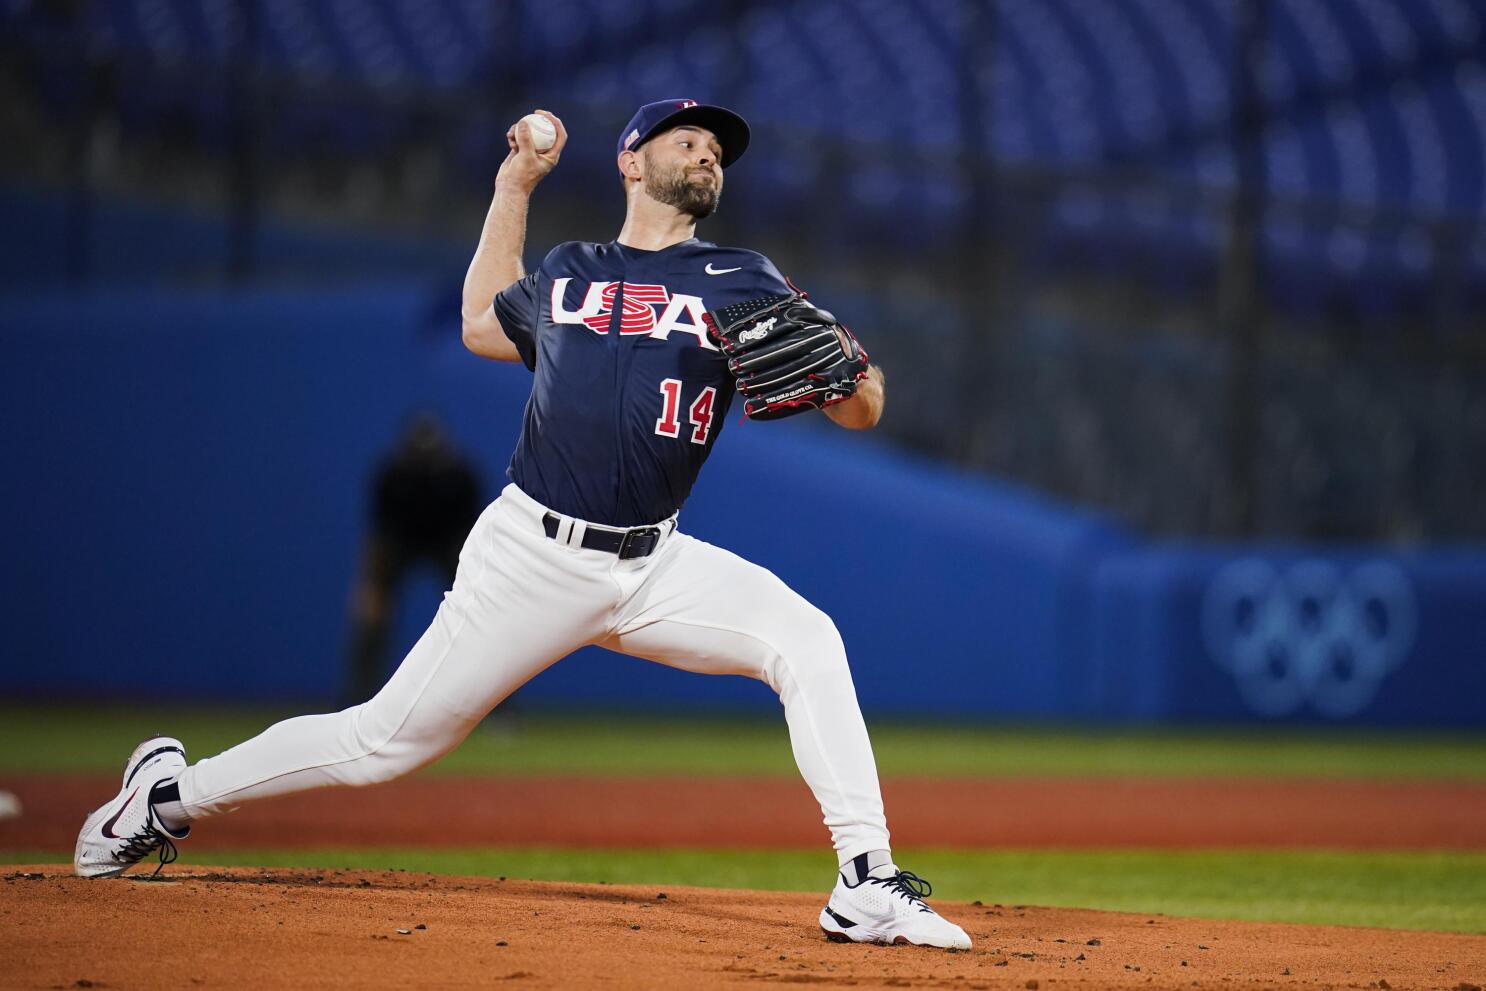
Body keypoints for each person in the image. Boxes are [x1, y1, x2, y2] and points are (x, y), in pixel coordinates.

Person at [74, 99, 972, 951]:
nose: (707, 152)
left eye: (717, 148)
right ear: (631, 159)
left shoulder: (744, 278)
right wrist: (514, 187)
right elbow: (476, 324)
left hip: (654, 565)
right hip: (531, 557)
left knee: (806, 638)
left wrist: (853, 377)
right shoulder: (572, 270)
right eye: (686, 137)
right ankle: (163, 797)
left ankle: (865, 880)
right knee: (381, 743)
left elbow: (863, 408)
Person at [345, 412, 484, 704]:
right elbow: (380, 539)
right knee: (371, 620)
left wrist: (478, 588)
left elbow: (473, 536)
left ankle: (494, 709)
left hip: (448, 544)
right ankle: (356, 702)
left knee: (481, 619)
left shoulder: (460, 477)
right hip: (401, 545)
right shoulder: (392, 476)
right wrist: (371, 585)